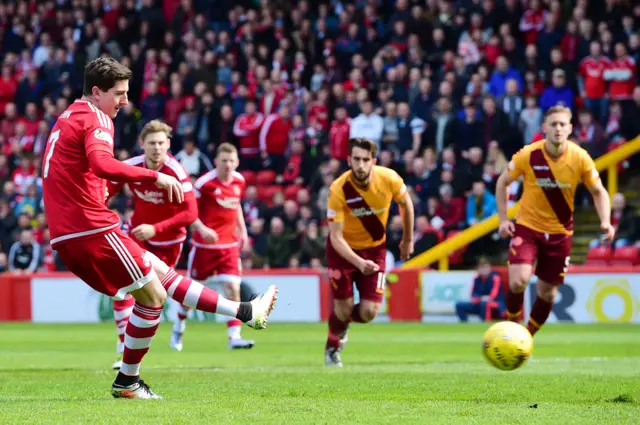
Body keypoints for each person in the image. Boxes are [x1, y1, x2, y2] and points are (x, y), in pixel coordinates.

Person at [41, 57, 277, 399]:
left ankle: (246, 312)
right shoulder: (97, 118)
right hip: (90, 228)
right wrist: (155, 175)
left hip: (74, 229)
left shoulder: (69, 116)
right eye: (119, 94)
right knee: (154, 298)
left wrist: (96, 191)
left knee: (161, 275)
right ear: (96, 92)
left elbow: (78, 171)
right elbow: (102, 164)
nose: (124, 101)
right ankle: (128, 382)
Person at [495, 105, 614, 337]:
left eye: (562, 124)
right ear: (544, 128)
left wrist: (606, 221)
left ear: (570, 129)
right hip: (528, 227)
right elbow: (502, 182)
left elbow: (599, 191)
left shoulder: (580, 158)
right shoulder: (529, 154)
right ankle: (511, 326)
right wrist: (502, 219)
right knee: (518, 281)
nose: (558, 129)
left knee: (547, 293)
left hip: (560, 233)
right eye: (553, 124)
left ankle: (526, 337)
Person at [106, 119, 198, 370]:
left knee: (154, 295)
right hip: (136, 235)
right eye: (151, 143)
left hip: (169, 241)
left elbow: (191, 214)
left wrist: (155, 229)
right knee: (121, 287)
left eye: (161, 143)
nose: (157, 148)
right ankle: (123, 345)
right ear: (142, 145)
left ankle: (173, 328)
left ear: (168, 144)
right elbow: (107, 188)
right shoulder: (132, 167)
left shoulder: (176, 172)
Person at [325, 138, 415, 367]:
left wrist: (407, 239)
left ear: (373, 161)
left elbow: (406, 205)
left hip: (375, 249)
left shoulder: (389, 178)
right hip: (342, 250)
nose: (361, 165)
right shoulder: (338, 189)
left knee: (369, 312)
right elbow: (335, 237)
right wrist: (358, 262)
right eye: (356, 159)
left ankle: (342, 322)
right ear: (349, 160)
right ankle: (333, 347)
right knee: (343, 305)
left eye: (366, 160)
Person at [172, 143, 254, 351]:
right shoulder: (204, 184)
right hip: (204, 247)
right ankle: (179, 325)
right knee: (191, 294)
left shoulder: (239, 181)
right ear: (216, 162)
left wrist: (242, 231)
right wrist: (202, 229)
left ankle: (234, 336)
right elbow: (190, 212)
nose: (228, 165)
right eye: (224, 160)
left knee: (233, 289)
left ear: (237, 162)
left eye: (231, 161)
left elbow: (236, 208)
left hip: (229, 246)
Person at [455, 257, 505, 322]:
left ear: (489, 268)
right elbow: (473, 294)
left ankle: (485, 322)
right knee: (459, 305)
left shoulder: (495, 278)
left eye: (485, 267)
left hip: (495, 303)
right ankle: (464, 323)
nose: (484, 270)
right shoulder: (476, 279)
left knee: (485, 303)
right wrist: (480, 298)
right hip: (479, 302)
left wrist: (487, 298)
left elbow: (494, 294)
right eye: (481, 268)